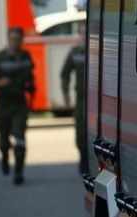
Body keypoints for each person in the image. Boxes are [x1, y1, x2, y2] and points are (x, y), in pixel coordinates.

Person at [0, 27, 35, 185]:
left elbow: (30, 75)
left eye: (18, 39)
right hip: (3, 103)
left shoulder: (26, 56)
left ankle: (18, 171)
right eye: (12, 39)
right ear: (8, 40)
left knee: (20, 138)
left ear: (22, 40)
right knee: (3, 140)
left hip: (19, 103)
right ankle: (5, 156)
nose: (15, 42)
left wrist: (30, 86)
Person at [61, 23, 87, 174]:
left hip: (98, 100)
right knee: (80, 132)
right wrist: (65, 93)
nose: (84, 36)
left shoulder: (100, 50)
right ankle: (83, 158)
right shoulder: (75, 52)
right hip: (81, 98)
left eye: (86, 32)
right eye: (82, 33)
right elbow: (65, 74)